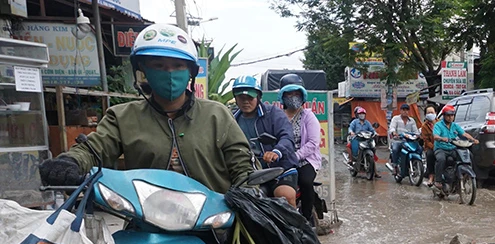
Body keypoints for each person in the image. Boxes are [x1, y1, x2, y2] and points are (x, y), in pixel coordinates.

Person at [39, 23, 252, 194]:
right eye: (159, 65)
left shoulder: (216, 114)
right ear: (143, 70)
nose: (169, 73)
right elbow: (94, 149)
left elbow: (241, 162)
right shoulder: (122, 117)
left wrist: (250, 190)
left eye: (178, 66)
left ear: (190, 72)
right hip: (146, 219)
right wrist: (70, 161)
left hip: (213, 220)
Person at [232, 75, 300, 206]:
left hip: (280, 170)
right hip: (249, 173)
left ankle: (293, 226)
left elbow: (287, 137)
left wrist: (276, 152)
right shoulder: (232, 119)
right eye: (241, 98)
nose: (246, 102)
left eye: (250, 97)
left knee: (285, 196)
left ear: (258, 97)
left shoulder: (274, 113)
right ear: (235, 99)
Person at [279, 74, 322, 224]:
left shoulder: (308, 116)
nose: (293, 97)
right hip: (282, 159)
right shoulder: (278, 116)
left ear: (302, 96)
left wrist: (295, 156)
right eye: (289, 94)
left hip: (305, 160)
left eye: (296, 94)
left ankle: (306, 217)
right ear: (282, 96)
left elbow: (313, 143)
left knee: (305, 181)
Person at [433, 104, 479, 188]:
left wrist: (473, 140)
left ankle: (467, 176)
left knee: (468, 156)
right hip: (441, 148)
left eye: (452, 115)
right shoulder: (438, 125)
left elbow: (464, 133)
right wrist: (442, 138)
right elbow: (435, 136)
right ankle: (438, 180)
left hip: (453, 148)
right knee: (441, 159)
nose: (450, 117)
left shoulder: (455, 126)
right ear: (444, 116)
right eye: (448, 115)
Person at [388, 102, 419, 168]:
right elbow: (392, 128)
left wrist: (417, 135)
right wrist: (394, 133)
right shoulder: (395, 118)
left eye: (407, 110)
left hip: (409, 141)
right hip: (398, 140)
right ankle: (395, 166)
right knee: (395, 149)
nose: (405, 111)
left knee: (419, 148)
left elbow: (416, 131)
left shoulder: (412, 120)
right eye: (403, 110)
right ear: (400, 111)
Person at [420, 105, 437, 186]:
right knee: (430, 155)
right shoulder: (424, 126)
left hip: (442, 146)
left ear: (435, 113)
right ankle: (431, 176)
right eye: (428, 113)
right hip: (430, 147)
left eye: (432, 112)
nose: (430, 114)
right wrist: (434, 147)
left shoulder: (441, 123)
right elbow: (426, 141)